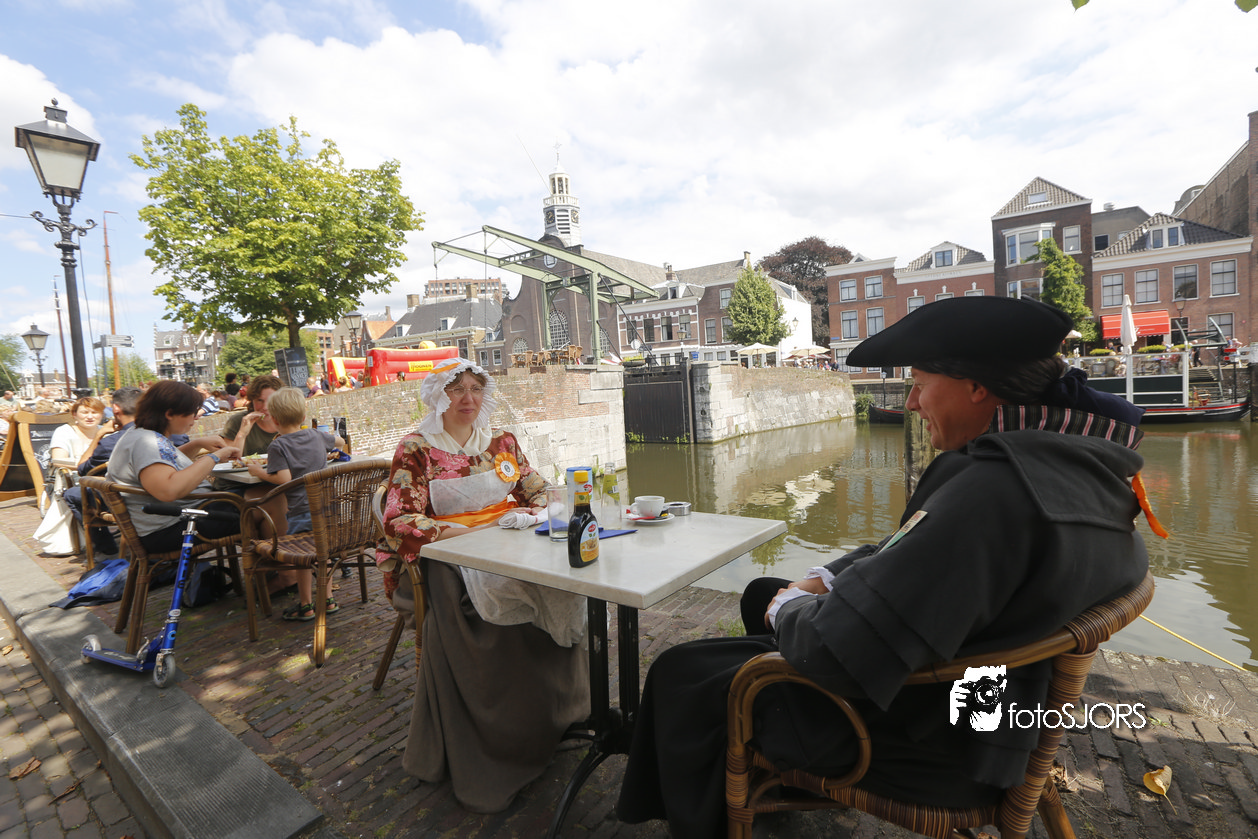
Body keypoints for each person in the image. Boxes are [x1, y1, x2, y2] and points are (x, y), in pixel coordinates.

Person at [616, 297, 1152, 838]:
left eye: (919, 383)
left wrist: (789, 609)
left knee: (682, 671)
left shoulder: (992, 494)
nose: (912, 402)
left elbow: (835, 651)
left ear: (975, 387)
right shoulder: (1071, 461)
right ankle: (775, 777)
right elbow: (915, 542)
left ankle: (720, 808)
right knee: (761, 592)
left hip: (933, 745)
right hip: (992, 705)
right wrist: (824, 580)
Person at [379, 358, 589, 814]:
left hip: (506, 542)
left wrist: (544, 508)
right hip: (448, 555)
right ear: (439, 396)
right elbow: (398, 518)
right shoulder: (417, 448)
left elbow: (535, 488)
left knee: (559, 586)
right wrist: (458, 534)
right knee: (495, 616)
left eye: (476, 388)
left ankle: (560, 714)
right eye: (457, 389)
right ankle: (503, 740)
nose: (468, 398)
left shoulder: (501, 442)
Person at [104, 380, 241, 554]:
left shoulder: (141, 435)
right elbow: (168, 491)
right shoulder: (147, 442)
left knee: (254, 497)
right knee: (260, 504)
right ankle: (268, 565)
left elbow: (165, 463)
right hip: (174, 528)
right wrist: (215, 457)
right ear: (169, 413)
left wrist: (197, 444)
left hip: (174, 520)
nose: (196, 417)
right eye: (192, 412)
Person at [245, 387, 344, 621]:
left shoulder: (278, 446)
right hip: (327, 509)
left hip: (301, 510)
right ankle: (328, 599)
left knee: (303, 558)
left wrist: (259, 472)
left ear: (275, 420)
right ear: (303, 417)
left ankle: (306, 604)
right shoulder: (316, 435)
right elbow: (339, 441)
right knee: (323, 552)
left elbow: (284, 479)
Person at [63, 386, 148, 557]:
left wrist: (99, 434)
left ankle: (106, 549)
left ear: (115, 409)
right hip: (161, 496)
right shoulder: (166, 435)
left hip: (125, 501)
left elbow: (82, 470)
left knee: (72, 493)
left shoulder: (110, 443)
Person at [48, 396, 106, 466]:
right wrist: (89, 466)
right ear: (74, 415)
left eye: (94, 412)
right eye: (84, 412)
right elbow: (58, 461)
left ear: (102, 415)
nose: (90, 417)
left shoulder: (107, 432)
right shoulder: (64, 431)